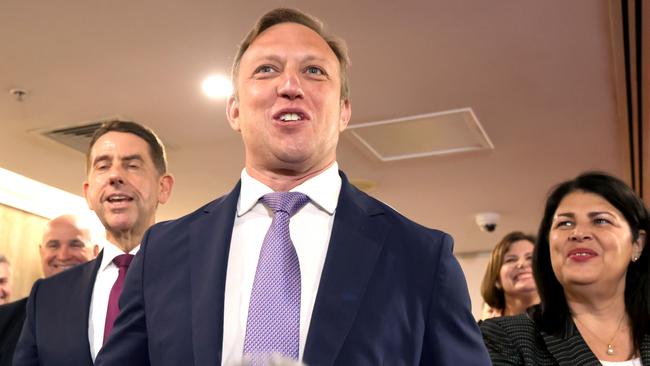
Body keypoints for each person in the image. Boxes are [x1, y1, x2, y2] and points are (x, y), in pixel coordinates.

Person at [95, 8, 490, 366]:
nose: (289, 85)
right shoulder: (164, 251)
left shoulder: (420, 257)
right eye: (266, 69)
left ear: (344, 112)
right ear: (234, 110)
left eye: (314, 71)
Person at [13, 121, 174, 366]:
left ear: (163, 187)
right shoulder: (47, 296)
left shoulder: (198, 281)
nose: (115, 176)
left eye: (132, 165)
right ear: (88, 192)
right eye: (103, 166)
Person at [480, 172, 650, 365]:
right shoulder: (503, 338)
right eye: (565, 223)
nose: (578, 233)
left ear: (637, 244)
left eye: (601, 220)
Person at [0, 214, 99, 366]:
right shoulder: (5, 318)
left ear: (95, 252)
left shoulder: (112, 314)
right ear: (41, 252)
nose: (63, 255)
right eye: (53, 245)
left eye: (76, 244)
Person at [480, 231, 539, 319]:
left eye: (530, 258)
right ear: (497, 279)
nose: (522, 264)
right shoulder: (484, 331)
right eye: (511, 260)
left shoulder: (565, 323)